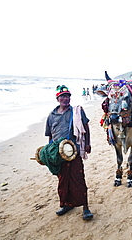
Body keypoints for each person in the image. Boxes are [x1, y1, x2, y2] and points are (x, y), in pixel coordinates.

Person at [45, 85, 93, 220]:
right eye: (62, 96)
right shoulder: (51, 115)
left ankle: (85, 207)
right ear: (57, 99)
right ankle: (67, 204)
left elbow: (86, 127)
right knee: (63, 181)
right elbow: (50, 135)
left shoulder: (77, 112)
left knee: (79, 179)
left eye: (67, 96)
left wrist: (88, 143)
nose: (65, 99)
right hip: (59, 155)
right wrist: (49, 151)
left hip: (74, 151)